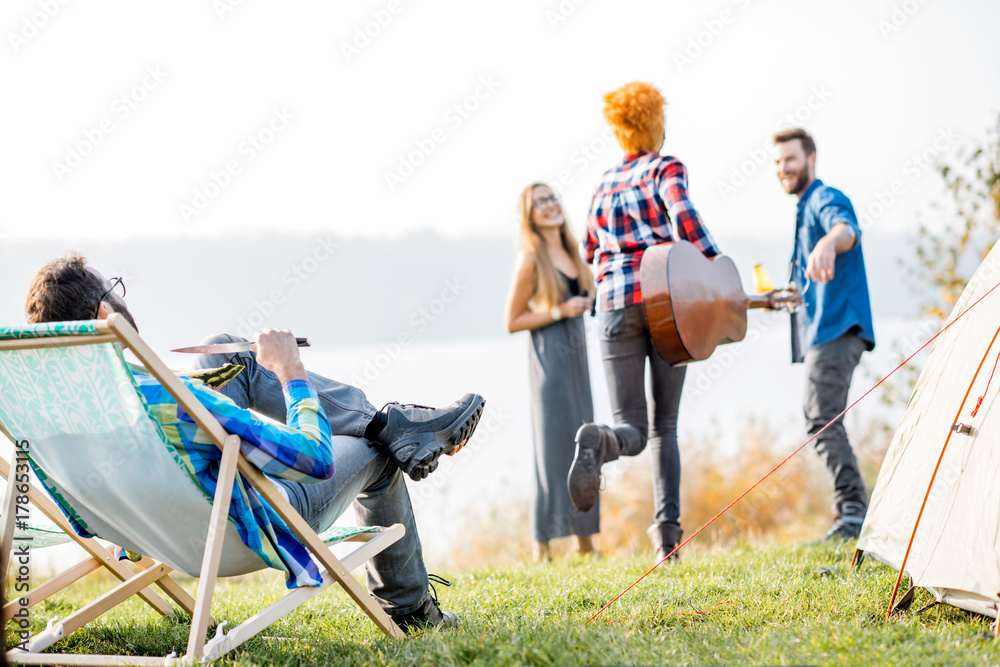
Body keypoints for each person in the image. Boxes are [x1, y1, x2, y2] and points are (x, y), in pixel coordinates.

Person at [23, 253, 487, 632]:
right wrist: (292, 372)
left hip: (152, 529)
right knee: (378, 453)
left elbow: (83, 523)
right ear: (105, 313)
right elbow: (315, 458)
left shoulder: (41, 415)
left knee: (227, 348)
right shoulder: (174, 401)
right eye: (115, 289)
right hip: (243, 530)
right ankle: (409, 607)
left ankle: (389, 424)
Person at [567, 81, 723, 563]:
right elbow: (685, 217)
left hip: (613, 305)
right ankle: (667, 541)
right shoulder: (665, 168)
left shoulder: (603, 184)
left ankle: (601, 440)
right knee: (665, 427)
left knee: (630, 428)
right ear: (656, 123)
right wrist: (716, 266)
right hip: (664, 305)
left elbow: (589, 251)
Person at [773, 128, 875, 540]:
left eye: (790, 159)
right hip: (826, 331)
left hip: (837, 329)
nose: (784, 168)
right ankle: (849, 511)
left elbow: (846, 229)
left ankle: (852, 514)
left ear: (811, 158)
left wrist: (830, 242)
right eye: (778, 163)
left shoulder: (823, 197)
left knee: (820, 418)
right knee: (822, 418)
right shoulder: (803, 208)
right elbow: (808, 283)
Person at [505, 183, 598, 562]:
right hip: (549, 362)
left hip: (578, 358)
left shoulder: (574, 251)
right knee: (552, 452)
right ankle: (541, 548)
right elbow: (512, 320)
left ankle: (585, 543)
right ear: (529, 215)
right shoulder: (530, 258)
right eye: (538, 202)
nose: (548, 206)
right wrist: (559, 311)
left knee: (586, 446)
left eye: (551, 198)